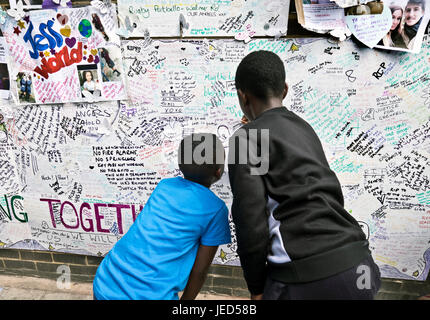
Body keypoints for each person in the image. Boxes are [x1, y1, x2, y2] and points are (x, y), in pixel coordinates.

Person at [228, 50, 381, 300]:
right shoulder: (304, 127)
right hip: (359, 263)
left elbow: (250, 220)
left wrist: (256, 287)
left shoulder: (247, 138)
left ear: (243, 97)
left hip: (306, 276)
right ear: (285, 89)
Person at [93, 133, 231, 300]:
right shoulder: (216, 209)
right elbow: (199, 271)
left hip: (106, 281)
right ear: (218, 171)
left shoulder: (164, 185)